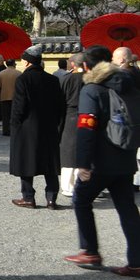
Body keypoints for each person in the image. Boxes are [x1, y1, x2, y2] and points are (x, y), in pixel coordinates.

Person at [64, 45, 140, 277]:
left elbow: (86, 129)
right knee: (127, 208)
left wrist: (83, 164)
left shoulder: (92, 90)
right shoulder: (131, 84)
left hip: (100, 161)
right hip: (126, 156)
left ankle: (90, 250)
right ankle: (137, 260)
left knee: (81, 199)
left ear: (86, 66)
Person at [10, 45, 66, 209]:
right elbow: (60, 106)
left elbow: (19, 107)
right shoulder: (53, 80)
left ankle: (28, 197)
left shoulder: (23, 80)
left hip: (27, 127)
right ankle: (51, 199)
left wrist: (15, 125)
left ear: (27, 62)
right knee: (50, 163)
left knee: (26, 161)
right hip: (49, 127)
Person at [59, 53, 85, 198]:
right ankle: (84, 182)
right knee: (85, 148)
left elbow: (60, 100)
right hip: (87, 116)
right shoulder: (90, 78)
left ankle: (68, 186)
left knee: (68, 150)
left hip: (70, 115)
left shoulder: (67, 79)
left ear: (74, 64)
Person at [0, 59, 20, 136]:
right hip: (15, 98)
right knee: (15, 115)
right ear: (13, 64)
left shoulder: (1, 73)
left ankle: (5, 131)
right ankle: (15, 130)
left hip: (4, 97)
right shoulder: (18, 73)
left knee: (5, 116)